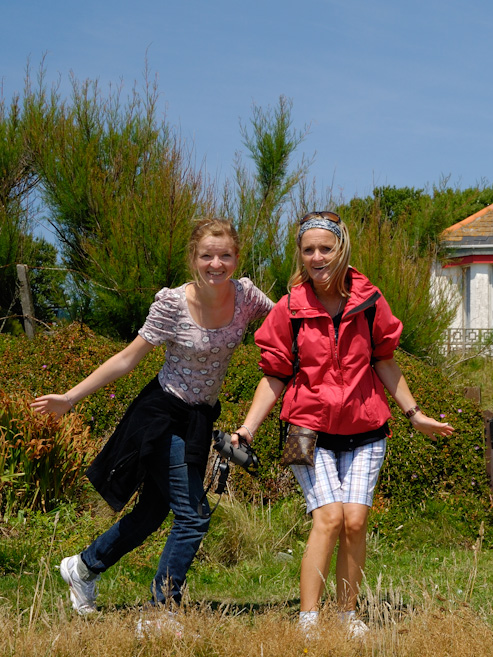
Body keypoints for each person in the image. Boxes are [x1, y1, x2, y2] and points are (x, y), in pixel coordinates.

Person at [31, 218, 273, 626]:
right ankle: (162, 611)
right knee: (194, 515)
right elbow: (128, 358)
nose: (217, 264)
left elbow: (289, 322)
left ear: (237, 257)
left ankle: (84, 567)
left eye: (225, 255)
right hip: (162, 415)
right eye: (207, 256)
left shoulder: (247, 296)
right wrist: (70, 397)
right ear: (193, 258)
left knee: (154, 511)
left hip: (198, 418)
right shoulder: (173, 304)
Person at [234, 210, 453, 637]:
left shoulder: (370, 301)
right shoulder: (289, 309)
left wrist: (415, 414)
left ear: (341, 249)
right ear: (299, 255)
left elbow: (384, 360)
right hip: (306, 429)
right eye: (308, 249)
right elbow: (275, 374)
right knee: (329, 518)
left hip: (366, 427)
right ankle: (309, 620)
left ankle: (347, 615)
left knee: (355, 520)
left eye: (326, 248)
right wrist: (247, 428)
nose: (318, 257)